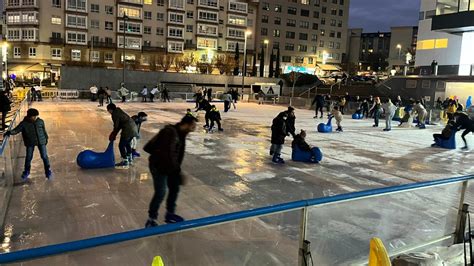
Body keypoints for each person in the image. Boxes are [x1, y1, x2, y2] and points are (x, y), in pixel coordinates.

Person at [144, 114, 198, 227]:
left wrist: (176, 170)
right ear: (186, 124)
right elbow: (168, 154)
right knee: (161, 192)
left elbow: (174, 155)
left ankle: (170, 214)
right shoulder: (170, 133)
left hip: (170, 166)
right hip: (158, 166)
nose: (194, 128)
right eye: (193, 125)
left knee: (174, 188)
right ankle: (151, 218)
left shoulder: (182, 133)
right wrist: (178, 171)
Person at [4, 108, 52, 180]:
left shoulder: (40, 121)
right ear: (29, 116)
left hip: (41, 141)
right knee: (29, 157)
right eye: (34, 116)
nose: (35, 117)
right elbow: (16, 130)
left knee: (44, 156)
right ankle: (26, 171)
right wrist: (10, 132)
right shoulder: (24, 124)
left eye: (36, 116)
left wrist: (46, 139)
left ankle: (47, 170)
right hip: (30, 142)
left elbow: (44, 131)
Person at [107, 103, 138, 168]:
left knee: (121, 145)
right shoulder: (119, 111)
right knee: (127, 144)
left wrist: (113, 134)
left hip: (128, 130)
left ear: (110, 110)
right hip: (134, 128)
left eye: (108, 110)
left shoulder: (115, 114)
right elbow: (119, 125)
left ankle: (125, 161)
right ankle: (129, 158)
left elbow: (116, 126)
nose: (108, 112)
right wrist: (114, 133)